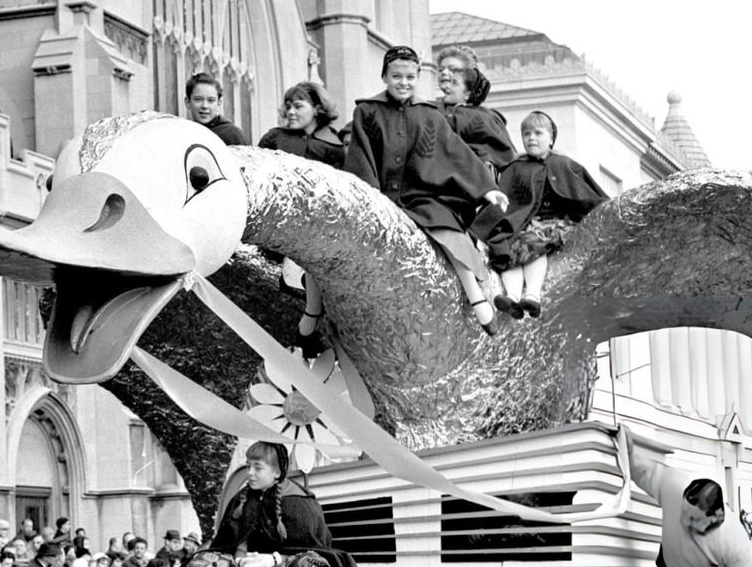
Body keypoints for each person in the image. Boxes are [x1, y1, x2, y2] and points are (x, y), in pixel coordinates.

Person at [344, 45, 510, 334]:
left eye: (410, 77)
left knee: (450, 231)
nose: (403, 83)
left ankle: (478, 300)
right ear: (384, 76)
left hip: (418, 197)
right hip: (379, 196)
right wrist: (371, 199)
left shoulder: (429, 114)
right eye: (396, 76)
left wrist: (486, 188)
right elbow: (361, 158)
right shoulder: (367, 112)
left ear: (418, 78)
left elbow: (455, 153)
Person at [169, 441, 357, 567]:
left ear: (277, 472)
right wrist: (241, 561)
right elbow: (232, 543)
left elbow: (315, 551)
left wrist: (273, 560)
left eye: (257, 468)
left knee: (314, 563)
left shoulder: (299, 502)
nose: (250, 473)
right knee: (201, 560)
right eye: (248, 466)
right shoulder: (241, 499)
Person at [487, 110, 608, 320]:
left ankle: (532, 295)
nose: (531, 138)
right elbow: (504, 202)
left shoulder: (564, 164)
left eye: (538, 133)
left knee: (533, 242)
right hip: (522, 223)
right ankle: (512, 297)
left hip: (557, 222)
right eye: (526, 134)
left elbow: (590, 197)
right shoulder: (515, 168)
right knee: (506, 244)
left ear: (551, 138)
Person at [259, 80, 348, 353]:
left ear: (317, 109)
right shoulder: (275, 139)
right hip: (278, 226)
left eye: (298, 106)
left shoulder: (334, 146)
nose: (290, 112)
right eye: (287, 106)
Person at [184, 72, 246, 145]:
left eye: (211, 100)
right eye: (198, 99)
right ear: (187, 102)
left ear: (219, 102)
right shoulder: (184, 133)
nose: (204, 106)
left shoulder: (233, 134)